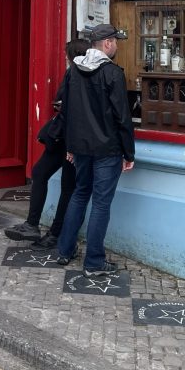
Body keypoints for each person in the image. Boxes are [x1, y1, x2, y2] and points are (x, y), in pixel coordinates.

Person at [56, 23, 135, 277]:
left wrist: (70, 145)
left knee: (80, 194)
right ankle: (94, 262)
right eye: (116, 42)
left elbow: (66, 111)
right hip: (107, 149)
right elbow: (122, 118)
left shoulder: (73, 71)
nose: (117, 46)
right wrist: (129, 152)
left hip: (81, 147)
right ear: (108, 44)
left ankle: (64, 250)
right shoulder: (112, 73)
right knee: (101, 203)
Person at [4, 38, 88, 247]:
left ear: (72, 56)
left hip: (69, 140)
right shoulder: (85, 74)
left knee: (49, 178)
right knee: (56, 181)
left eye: (66, 55)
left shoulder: (74, 74)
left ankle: (44, 229)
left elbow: (71, 108)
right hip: (70, 139)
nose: (65, 59)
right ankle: (46, 230)